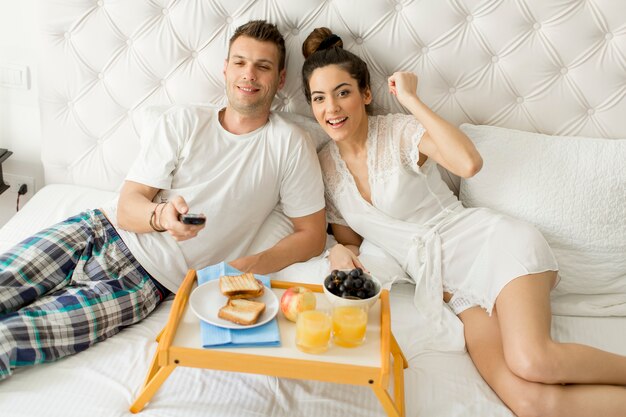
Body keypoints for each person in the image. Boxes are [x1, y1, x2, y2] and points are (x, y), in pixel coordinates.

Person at [301, 27, 626, 417]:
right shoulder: (325, 167)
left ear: (365, 94)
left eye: (343, 92)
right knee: (532, 403)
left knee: (533, 361)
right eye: (319, 98)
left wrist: (410, 99)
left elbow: (468, 164)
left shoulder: (399, 132)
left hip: (493, 248)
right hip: (454, 291)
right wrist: (338, 250)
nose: (332, 108)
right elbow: (353, 240)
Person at [0, 20, 326, 381]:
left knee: (10, 340)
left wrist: (245, 267)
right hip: (96, 231)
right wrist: (162, 217)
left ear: (279, 79)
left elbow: (311, 233)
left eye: (263, 66)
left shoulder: (291, 143)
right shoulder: (185, 121)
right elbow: (127, 208)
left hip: (144, 283)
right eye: (239, 62)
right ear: (225, 69)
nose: (248, 75)